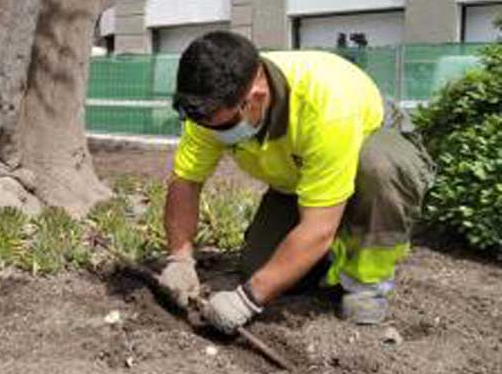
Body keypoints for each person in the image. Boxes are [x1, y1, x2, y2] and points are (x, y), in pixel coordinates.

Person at [158, 31, 434, 334]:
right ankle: (336, 247)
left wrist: (247, 300)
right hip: (301, 174)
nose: (214, 133)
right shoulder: (210, 109)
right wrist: (180, 258)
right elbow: (186, 181)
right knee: (259, 267)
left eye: (224, 126)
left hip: (372, 144)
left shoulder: (325, 107)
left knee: (377, 167)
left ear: (256, 98)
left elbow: (318, 229)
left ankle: (368, 281)